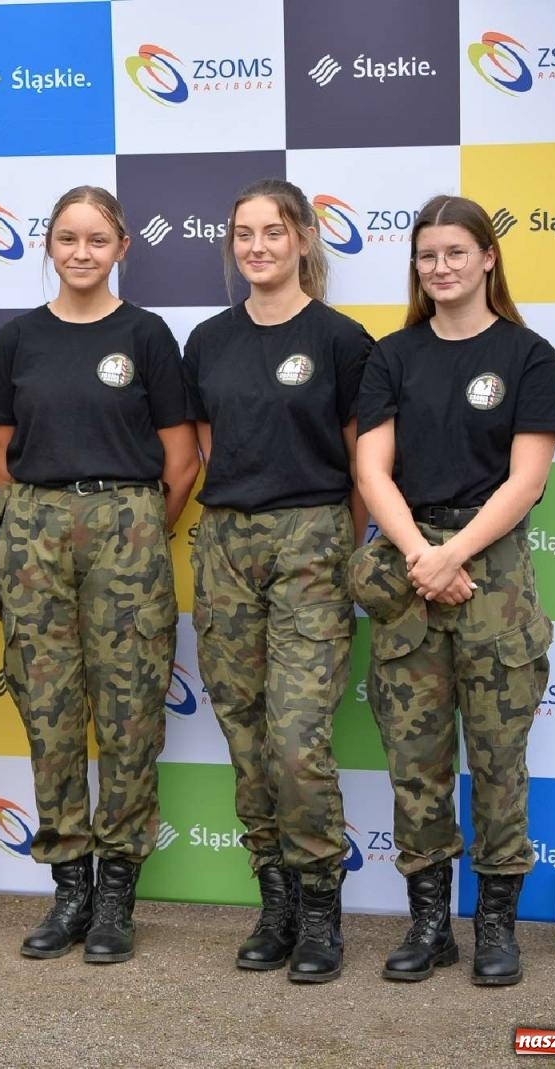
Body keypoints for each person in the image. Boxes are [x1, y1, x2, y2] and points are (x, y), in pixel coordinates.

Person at [350, 193, 555, 987]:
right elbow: (372, 468)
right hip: (414, 574)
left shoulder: (527, 354)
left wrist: (454, 555)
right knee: (417, 765)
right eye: (427, 255)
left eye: (455, 253)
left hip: (492, 577)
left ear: (487, 258)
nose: (440, 267)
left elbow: (527, 479)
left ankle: (497, 928)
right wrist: (421, 555)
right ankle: (430, 924)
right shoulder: (392, 356)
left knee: (501, 763)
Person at [0, 186, 198, 965]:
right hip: (35, 530)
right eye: (68, 238)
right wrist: (42, 521)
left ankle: (115, 898)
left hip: (128, 532)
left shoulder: (147, 335)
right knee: (49, 713)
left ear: (122, 247)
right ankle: (69, 888)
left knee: (131, 715)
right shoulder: (17, 339)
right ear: (48, 244)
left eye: (97, 240)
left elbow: (182, 460)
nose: (81, 252)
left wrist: (133, 531)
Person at [180, 179, 372, 983]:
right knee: (247, 735)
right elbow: (207, 449)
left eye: (272, 231)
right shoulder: (208, 341)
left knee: (297, 738)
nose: (257, 246)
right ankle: (276, 902)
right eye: (244, 233)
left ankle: (321, 907)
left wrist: (337, 547)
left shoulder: (342, 340)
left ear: (302, 238)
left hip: (312, 540)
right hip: (226, 545)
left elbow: (365, 464)